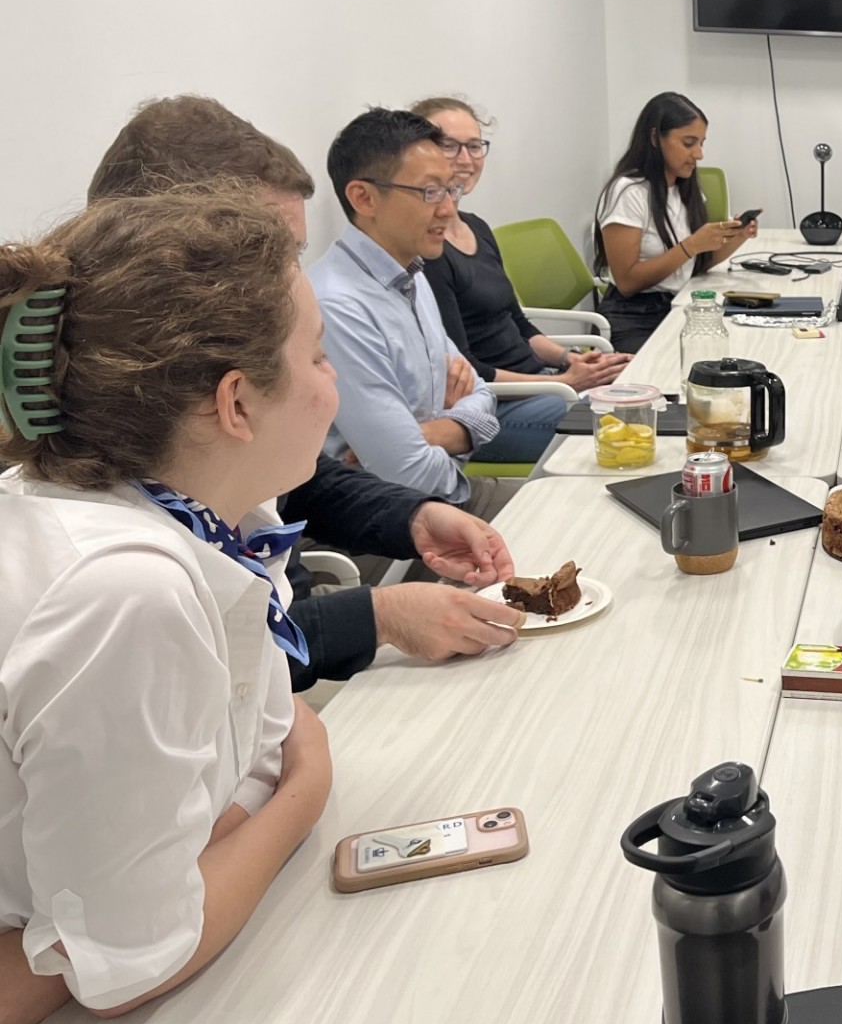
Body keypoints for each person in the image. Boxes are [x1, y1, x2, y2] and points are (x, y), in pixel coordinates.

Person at [0, 188, 334, 1024]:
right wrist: (307, 792)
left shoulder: (220, 516)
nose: (333, 384)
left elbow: (245, 768)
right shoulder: (124, 592)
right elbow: (128, 966)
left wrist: (206, 844)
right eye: (318, 356)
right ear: (236, 404)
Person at [88, 96, 523, 690]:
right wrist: (379, 616)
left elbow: (303, 489)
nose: (296, 283)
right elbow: (234, 659)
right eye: (273, 258)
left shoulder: (201, 386)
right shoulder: (114, 510)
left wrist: (412, 517)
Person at [308, 108, 514, 520]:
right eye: (430, 192)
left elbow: (481, 395)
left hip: (440, 492)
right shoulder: (337, 304)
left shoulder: (411, 273)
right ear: (363, 198)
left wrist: (439, 429)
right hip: (394, 519)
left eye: (451, 190)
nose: (449, 210)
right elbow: (408, 474)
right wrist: (457, 429)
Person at [412, 97, 630, 463]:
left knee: (638, 389)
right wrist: (563, 383)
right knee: (625, 419)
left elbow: (519, 323)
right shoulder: (428, 251)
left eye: (474, 146)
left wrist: (571, 360)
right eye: (449, 145)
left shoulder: (477, 227)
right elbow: (467, 369)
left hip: (539, 384)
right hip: (492, 407)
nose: (465, 159)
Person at [593, 93, 758, 353]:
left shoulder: (684, 188)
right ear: (654, 138)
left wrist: (738, 236)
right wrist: (691, 245)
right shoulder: (628, 192)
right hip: (633, 317)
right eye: (689, 143)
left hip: (677, 305)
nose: (699, 154)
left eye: (701, 143)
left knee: (736, 347)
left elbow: (697, 263)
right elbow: (627, 282)